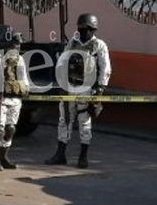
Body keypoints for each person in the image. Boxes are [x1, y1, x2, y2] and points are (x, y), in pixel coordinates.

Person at [46, 13, 112, 169]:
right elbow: (62, 63)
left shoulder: (99, 46)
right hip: (69, 87)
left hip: (87, 89)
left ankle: (83, 156)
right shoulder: (72, 43)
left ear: (93, 29)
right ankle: (60, 154)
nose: (83, 31)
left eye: (86, 28)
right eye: (81, 28)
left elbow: (105, 68)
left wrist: (100, 90)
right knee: (64, 120)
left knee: (84, 121)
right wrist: (61, 83)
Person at [0, 32, 30, 171]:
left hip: (15, 98)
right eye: (14, 45)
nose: (16, 48)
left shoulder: (20, 59)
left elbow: (23, 77)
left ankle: (4, 157)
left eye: (18, 45)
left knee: (10, 129)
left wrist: (25, 89)